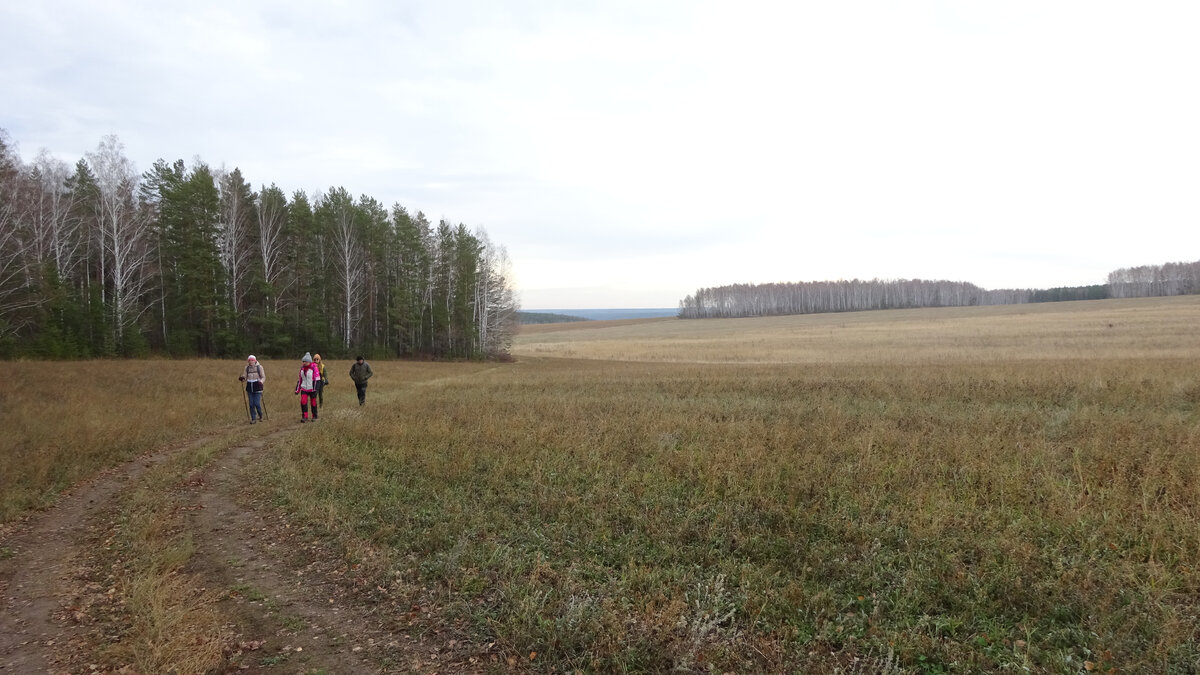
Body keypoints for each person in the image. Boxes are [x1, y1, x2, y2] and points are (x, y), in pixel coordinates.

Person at [239, 355, 266, 423]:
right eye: (249, 360)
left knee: (256, 403)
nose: (251, 361)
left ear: (255, 360)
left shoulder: (259, 367)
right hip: (249, 387)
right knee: (251, 404)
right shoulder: (247, 368)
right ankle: (253, 419)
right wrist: (242, 378)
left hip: (257, 387)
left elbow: (263, 377)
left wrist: (261, 382)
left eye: (252, 360)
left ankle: (260, 415)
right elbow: (245, 376)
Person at [295, 352, 320, 422]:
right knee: (303, 402)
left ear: (309, 361)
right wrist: (297, 390)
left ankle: (314, 416)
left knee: (313, 403)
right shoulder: (302, 369)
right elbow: (300, 379)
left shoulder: (314, 368)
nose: (304, 363)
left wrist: (316, 390)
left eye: (305, 361)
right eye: (303, 361)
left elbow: (317, 380)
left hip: (312, 389)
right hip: (304, 388)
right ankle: (304, 417)